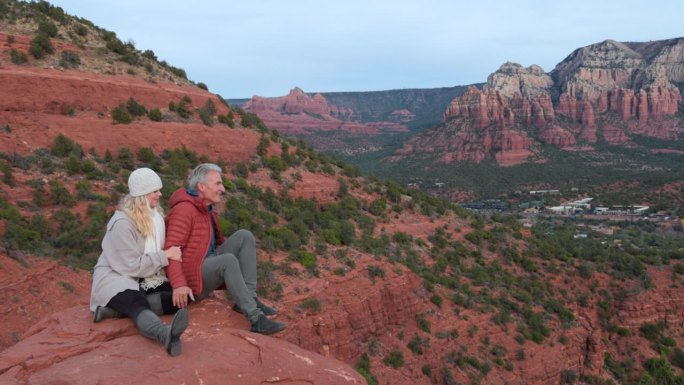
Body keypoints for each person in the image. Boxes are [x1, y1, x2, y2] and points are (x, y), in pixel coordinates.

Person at [164, 163, 285, 335]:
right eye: (218, 184)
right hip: (192, 278)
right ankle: (255, 319)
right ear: (202, 186)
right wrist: (179, 285)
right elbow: (171, 251)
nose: (222, 188)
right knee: (227, 261)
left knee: (244, 236)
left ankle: (249, 297)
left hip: (205, 264)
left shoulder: (205, 209)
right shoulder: (184, 210)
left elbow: (215, 243)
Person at [90, 167, 189, 356]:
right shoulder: (122, 223)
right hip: (117, 277)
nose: (160, 194)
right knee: (136, 302)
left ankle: (114, 312)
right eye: (155, 191)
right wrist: (165, 256)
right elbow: (131, 266)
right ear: (142, 194)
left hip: (144, 276)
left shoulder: (155, 217)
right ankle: (164, 334)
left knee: (176, 300)